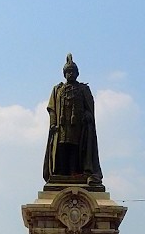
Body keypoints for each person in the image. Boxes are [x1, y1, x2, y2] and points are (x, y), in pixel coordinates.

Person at [43, 53, 102, 186]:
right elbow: (52, 108)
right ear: (64, 74)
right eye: (68, 72)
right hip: (62, 128)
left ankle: (75, 173)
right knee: (62, 148)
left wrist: (88, 115)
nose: (70, 74)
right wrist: (53, 123)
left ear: (77, 73)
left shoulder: (83, 89)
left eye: (73, 71)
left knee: (75, 150)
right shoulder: (58, 89)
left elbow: (89, 108)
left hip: (77, 129)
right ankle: (61, 174)